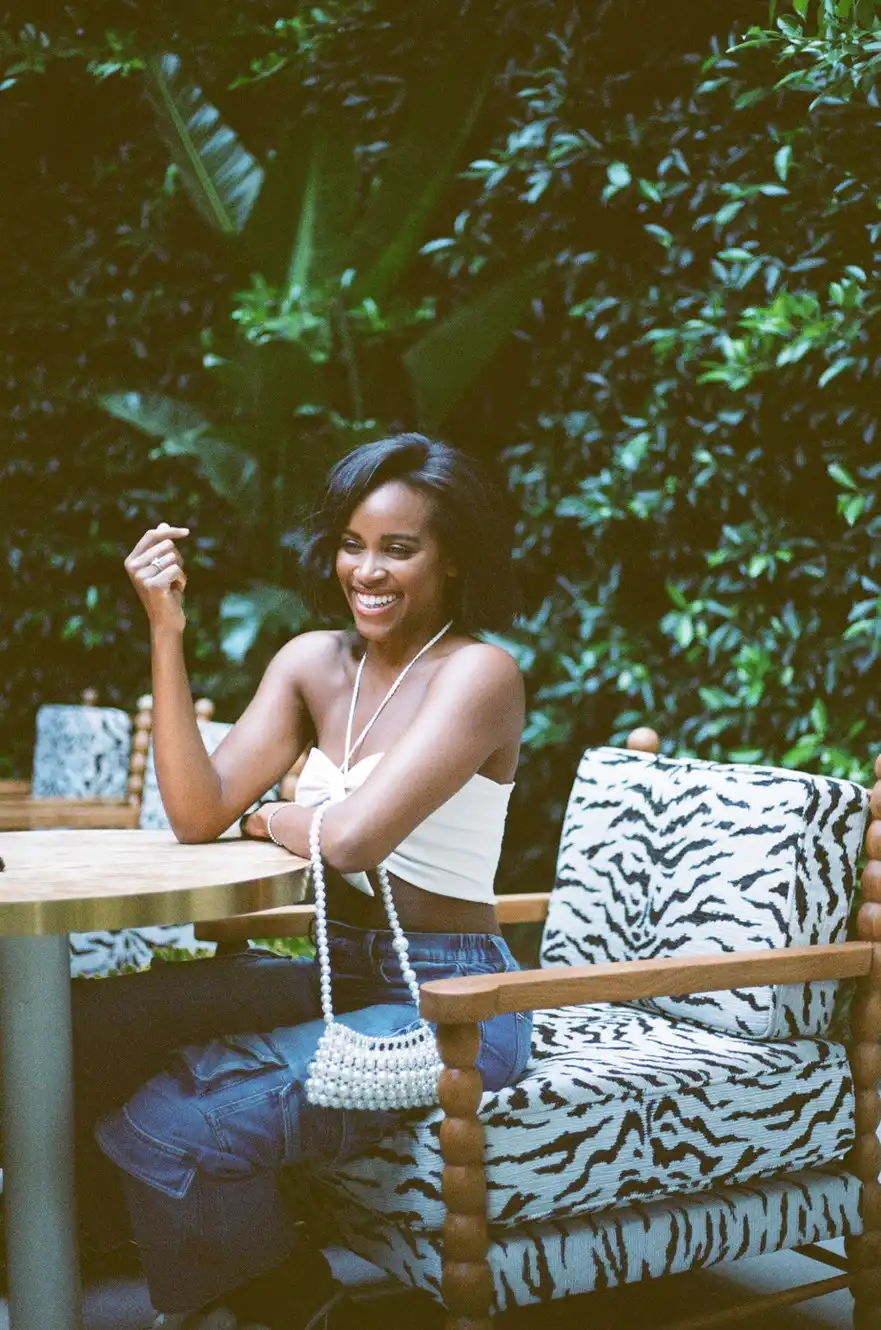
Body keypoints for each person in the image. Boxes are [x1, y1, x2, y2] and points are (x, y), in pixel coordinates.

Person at [81, 433, 530, 1330]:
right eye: (352, 545)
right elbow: (196, 812)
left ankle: (291, 1303)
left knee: (170, 1121)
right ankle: (200, 1278)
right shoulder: (315, 663)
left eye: (399, 548)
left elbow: (355, 839)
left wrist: (274, 815)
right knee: (93, 1025)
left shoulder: (478, 674)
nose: (367, 571)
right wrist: (166, 629)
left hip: (451, 1002)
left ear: (451, 560)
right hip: (338, 971)